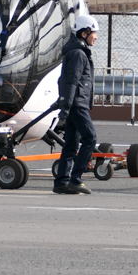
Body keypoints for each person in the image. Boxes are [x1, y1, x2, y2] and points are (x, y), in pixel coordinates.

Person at [53, 14, 99, 195]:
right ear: (84, 33)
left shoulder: (76, 52)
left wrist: (66, 103)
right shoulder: (78, 54)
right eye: (94, 33)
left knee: (71, 143)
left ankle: (61, 182)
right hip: (77, 104)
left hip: (74, 103)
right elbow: (71, 81)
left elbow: (65, 80)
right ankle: (75, 180)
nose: (96, 37)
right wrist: (68, 104)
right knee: (90, 138)